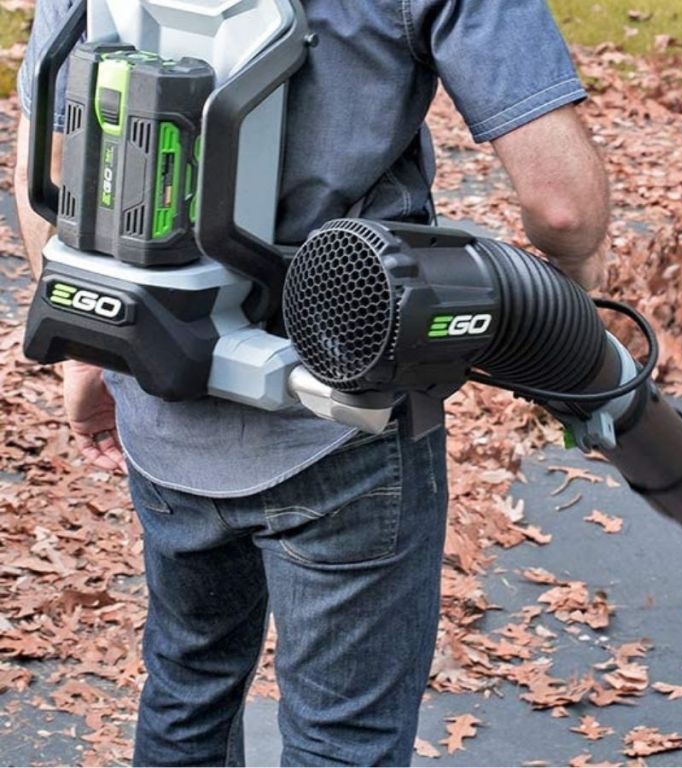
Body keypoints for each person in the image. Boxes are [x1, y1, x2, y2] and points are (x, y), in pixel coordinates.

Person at [15, 0, 610, 764]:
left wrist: (89, 352)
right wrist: (577, 282)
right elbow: (562, 208)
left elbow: (54, 155)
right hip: (341, 410)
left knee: (186, 686)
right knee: (343, 739)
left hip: (161, 382)